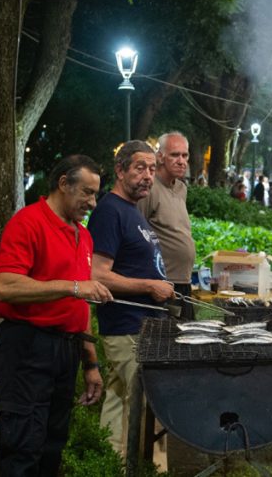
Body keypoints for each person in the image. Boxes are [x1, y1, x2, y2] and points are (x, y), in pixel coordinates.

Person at [0, 155, 113, 475]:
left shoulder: (82, 235)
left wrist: (91, 363)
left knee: (52, 444)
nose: (93, 203)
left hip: (66, 349)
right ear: (63, 184)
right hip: (28, 348)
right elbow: (4, 286)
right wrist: (73, 287)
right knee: (23, 445)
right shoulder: (28, 222)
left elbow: (81, 304)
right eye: (86, 192)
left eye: (96, 194)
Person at [87, 140, 175, 455]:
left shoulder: (131, 211)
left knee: (119, 399)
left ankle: (112, 464)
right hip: (128, 327)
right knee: (147, 405)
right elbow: (97, 275)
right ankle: (148, 467)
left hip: (142, 326)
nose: (148, 176)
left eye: (152, 169)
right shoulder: (110, 211)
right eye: (140, 168)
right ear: (120, 170)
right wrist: (150, 286)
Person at [138, 132, 197, 317]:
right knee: (164, 341)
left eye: (185, 155)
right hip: (162, 283)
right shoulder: (150, 188)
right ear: (160, 157)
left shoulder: (181, 188)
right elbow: (137, 233)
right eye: (175, 155)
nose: (181, 161)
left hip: (184, 282)